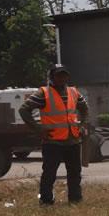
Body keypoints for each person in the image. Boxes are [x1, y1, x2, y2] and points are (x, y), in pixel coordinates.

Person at [19, 64, 89, 205]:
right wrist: (38, 129)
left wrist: (82, 125)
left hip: (73, 140)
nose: (62, 78)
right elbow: (24, 110)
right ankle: (45, 201)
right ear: (51, 77)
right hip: (52, 141)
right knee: (49, 173)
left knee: (75, 172)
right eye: (58, 75)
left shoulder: (74, 92)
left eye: (64, 75)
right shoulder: (43, 93)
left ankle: (75, 199)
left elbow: (85, 109)